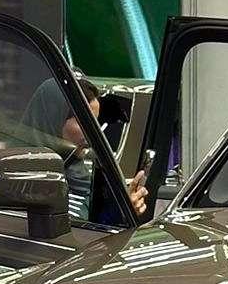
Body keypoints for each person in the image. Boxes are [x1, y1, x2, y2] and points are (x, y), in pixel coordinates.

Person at [22, 73, 149, 219]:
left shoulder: (83, 176)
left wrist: (123, 212)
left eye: (95, 122)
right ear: (53, 118)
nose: (93, 133)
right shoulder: (20, 179)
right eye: (84, 121)